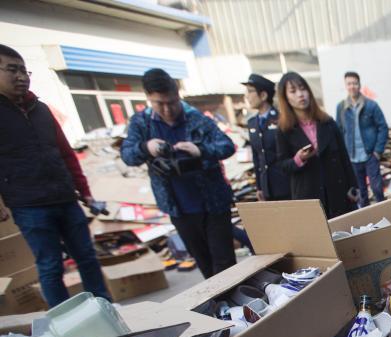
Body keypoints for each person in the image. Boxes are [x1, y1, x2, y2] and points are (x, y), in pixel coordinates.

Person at [0, 44, 110, 307]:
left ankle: (104, 308)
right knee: (50, 265)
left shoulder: (42, 110)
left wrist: (84, 192)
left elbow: (66, 154)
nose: (21, 77)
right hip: (29, 205)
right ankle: (65, 320)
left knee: (87, 257)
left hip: (65, 198)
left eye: (24, 71)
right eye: (12, 70)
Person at [121, 69, 237, 280]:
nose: (167, 109)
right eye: (160, 104)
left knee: (225, 263)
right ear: (148, 98)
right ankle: (219, 307)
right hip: (179, 207)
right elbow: (127, 155)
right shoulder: (141, 123)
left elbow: (227, 146)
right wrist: (146, 147)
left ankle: (237, 304)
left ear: (178, 94)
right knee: (205, 264)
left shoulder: (196, 118)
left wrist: (200, 150)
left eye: (172, 102)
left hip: (214, 202)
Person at [275, 72, 358, 218]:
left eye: (303, 89)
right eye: (293, 91)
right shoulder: (284, 130)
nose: (301, 95)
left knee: (345, 235)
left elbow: (344, 157)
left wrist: (353, 186)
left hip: (337, 191)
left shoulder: (327, 122)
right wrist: (298, 159)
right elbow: (282, 165)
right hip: (308, 195)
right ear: (285, 97)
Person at [336, 71, 388, 207]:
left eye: (354, 83)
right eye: (349, 84)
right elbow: (339, 132)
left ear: (359, 85)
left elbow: (383, 127)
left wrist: (377, 151)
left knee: (377, 189)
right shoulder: (341, 107)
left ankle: (385, 212)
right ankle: (366, 221)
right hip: (353, 158)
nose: (352, 86)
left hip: (370, 155)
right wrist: (344, 156)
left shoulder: (371, 105)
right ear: (345, 86)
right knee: (361, 193)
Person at [243, 73, 290, 201]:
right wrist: (259, 186)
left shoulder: (282, 118)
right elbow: (256, 157)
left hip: (285, 185)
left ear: (263, 95)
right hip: (267, 188)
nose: (247, 96)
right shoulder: (252, 123)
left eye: (250, 91)